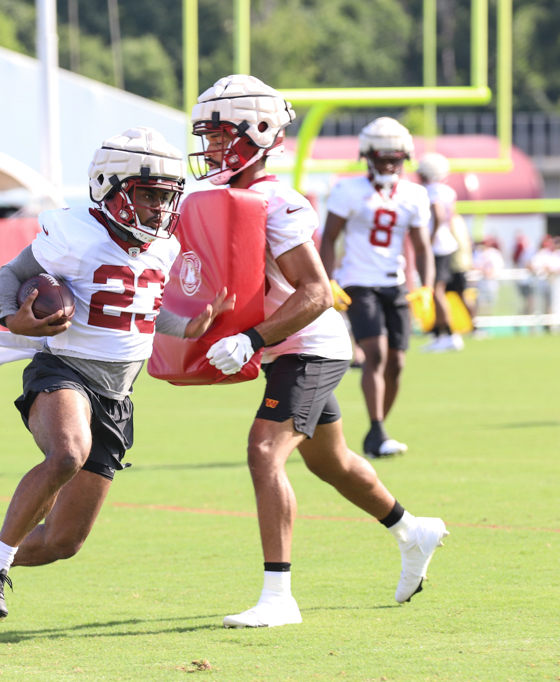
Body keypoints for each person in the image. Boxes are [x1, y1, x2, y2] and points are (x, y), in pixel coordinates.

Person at [192, 75, 447, 628]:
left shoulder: (277, 200)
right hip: (285, 349)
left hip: (310, 344)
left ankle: (279, 597)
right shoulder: (222, 198)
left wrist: (252, 339)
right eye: (206, 136)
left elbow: (315, 291)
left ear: (258, 132)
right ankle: (411, 530)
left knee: (265, 452)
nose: (210, 147)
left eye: (218, 135)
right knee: (332, 463)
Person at [0, 127, 233, 629]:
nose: (159, 208)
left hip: (117, 396)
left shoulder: (163, 248)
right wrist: (11, 318)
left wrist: (189, 326)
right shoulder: (74, 233)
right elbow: (9, 277)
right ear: (109, 186)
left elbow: (143, 312)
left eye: (167, 196)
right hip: (63, 369)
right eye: (149, 194)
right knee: (66, 453)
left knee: (62, 543)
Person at [321, 117, 435, 458]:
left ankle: (377, 430)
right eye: (382, 157)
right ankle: (378, 429)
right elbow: (329, 237)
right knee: (376, 354)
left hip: (394, 284)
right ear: (367, 156)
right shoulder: (348, 190)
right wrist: (328, 279)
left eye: (394, 158)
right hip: (359, 281)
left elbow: (422, 245)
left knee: (397, 362)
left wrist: (426, 286)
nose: (388, 164)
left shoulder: (414, 194)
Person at [417, 152, 463, 352]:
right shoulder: (447, 191)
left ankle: (450, 334)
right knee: (435, 290)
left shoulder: (431, 191)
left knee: (436, 291)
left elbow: (438, 214)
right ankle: (439, 333)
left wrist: (429, 238)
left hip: (437, 246)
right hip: (446, 243)